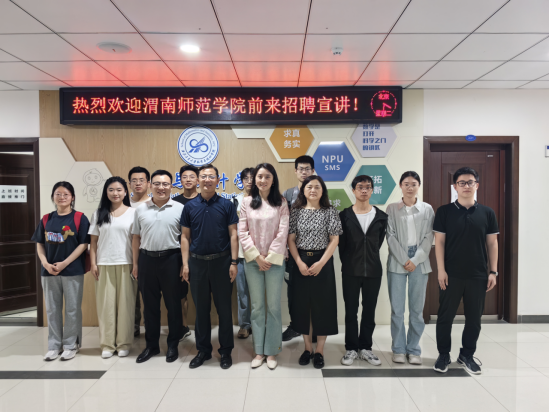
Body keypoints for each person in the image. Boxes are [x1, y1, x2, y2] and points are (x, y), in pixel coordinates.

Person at [433, 167, 499, 375]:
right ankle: (444, 355)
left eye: (470, 182)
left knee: (474, 319)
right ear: (455, 187)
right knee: (445, 317)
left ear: (477, 185)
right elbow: (439, 242)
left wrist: (493, 271)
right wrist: (441, 270)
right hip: (450, 274)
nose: (466, 186)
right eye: (462, 183)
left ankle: (467, 355)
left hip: (478, 275)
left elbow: (492, 243)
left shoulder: (487, 213)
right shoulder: (444, 211)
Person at [181, 164, 239, 370]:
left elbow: (233, 235)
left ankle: (226, 351)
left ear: (218, 180)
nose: (207, 180)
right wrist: (185, 264)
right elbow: (185, 237)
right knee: (201, 310)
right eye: (203, 176)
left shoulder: (227, 205)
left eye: (211, 176)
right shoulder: (189, 207)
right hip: (197, 264)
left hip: (222, 262)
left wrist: (234, 262)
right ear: (198, 180)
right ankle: (203, 350)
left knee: (224, 310)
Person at [32, 182, 90, 362]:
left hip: (72, 270)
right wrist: (45, 263)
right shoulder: (46, 219)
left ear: (72, 197)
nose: (62, 197)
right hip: (49, 271)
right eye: (58, 194)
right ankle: (54, 345)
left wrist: (64, 263)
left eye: (66, 194)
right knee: (52, 309)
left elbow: (83, 244)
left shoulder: (80, 218)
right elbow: (40, 243)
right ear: (53, 197)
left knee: (72, 309)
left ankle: (71, 345)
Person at [288, 175, 342, 369]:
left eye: (317, 187)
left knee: (323, 306)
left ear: (322, 190)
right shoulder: (295, 211)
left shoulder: (330, 211)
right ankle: (307, 348)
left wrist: (320, 263)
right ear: (303, 190)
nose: (313, 190)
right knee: (303, 306)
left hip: (323, 261)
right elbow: (290, 240)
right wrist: (298, 262)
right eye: (309, 187)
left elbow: (334, 240)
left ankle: (319, 350)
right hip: (300, 260)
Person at [239, 163, 289, 370]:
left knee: (274, 307)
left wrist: (268, 257)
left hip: (275, 262)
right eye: (259, 176)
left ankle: (272, 350)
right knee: (257, 307)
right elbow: (242, 231)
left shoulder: (282, 203)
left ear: (273, 179)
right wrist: (257, 257)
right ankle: (259, 350)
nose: (263, 180)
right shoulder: (247, 202)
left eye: (267, 176)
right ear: (254, 180)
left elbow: (283, 231)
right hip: (253, 262)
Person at [132, 170, 185, 364]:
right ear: (150, 185)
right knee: (150, 306)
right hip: (147, 260)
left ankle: (173, 345)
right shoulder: (140, 209)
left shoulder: (180, 208)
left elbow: (186, 238)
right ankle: (151, 346)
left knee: (174, 305)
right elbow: (136, 238)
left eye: (165, 184)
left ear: (171, 186)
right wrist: (135, 264)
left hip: (172, 260)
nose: (161, 188)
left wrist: (184, 264)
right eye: (157, 184)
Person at [339, 175, 388, 367]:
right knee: (351, 311)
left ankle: (366, 347)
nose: (364, 190)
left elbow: (378, 243)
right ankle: (351, 348)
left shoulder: (381, 216)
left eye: (368, 187)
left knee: (369, 311)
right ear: (353, 190)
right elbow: (341, 245)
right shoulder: (344, 216)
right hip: (350, 270)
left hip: (373, 271)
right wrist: (349, 262)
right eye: (360, 187)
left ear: (372, 190)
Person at [386, 172, 435, 365]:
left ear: (418, 186)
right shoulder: (392, 208)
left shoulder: (427, 209)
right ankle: (398, 349)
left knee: (416, 310)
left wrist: (415, 259)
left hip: (420, 261)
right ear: (400, 185)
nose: (410, 187)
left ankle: (414, 349)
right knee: (397, 310)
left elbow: (429, 237)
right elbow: (390, 236)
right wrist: (405, 258)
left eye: (413, 184)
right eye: (406, 184)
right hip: (397, 259)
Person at [89, 177, 137, 359]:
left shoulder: (133, 213)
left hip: (127, 263)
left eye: (119, 190)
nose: (115, 193)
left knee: (126, 305)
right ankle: (107, 345)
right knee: (106, 306)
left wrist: (136, 264)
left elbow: (136, 241)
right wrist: (93, 263)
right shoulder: (98, 214)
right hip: (104, 264)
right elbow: (93, 242)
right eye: (111, 190)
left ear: (125, 192)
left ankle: (124, 343)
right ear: (106, 192)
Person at [282, 155, 316, 342]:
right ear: (295, 171)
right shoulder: (288, 195)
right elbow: (283, 224)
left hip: (315, 252)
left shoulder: (318, 191)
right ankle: (295, 326)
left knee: (315, 291)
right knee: (293, 291)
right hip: (293, 251)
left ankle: (314, 327)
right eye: (301, 169)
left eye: (307, 169)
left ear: (313, 171)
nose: (304, 172)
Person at [172, 164, 201, 339]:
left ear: (197, 180)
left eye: (192, 177)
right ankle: (183, 326)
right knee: (180, 291)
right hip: (179, 252)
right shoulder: (174, 202)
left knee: (201, 292)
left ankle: (202, 326)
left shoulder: (204, 199)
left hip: (199, 253)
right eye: (184, 177)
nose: (188, 180)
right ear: (180, 180)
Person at [128, 166, 150, 338]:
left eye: (141, 180)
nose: (138, 183)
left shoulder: (153, 203)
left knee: (148, 295)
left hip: (147, 255)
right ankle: (133, 327)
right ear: (129, 184)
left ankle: (149, 327)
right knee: (130, 295)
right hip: (125, 255)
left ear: (148, 183)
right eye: (134, 180)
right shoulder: (123, 204)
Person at [233, 167, 254, 340]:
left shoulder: (264, 200)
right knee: (242, 292)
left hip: (259, 255)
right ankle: (244, 325)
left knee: (259, 292)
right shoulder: (235, 201)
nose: (249, 181)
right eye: (246, 178)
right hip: (240, 254)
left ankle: (258, 323)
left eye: (252, 178)